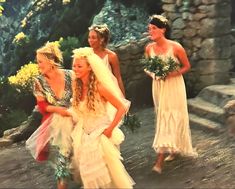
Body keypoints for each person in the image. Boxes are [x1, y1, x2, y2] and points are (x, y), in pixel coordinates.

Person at [67, 47, 135, 188]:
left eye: (79, 66)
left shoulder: (99, 87)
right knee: (88, 175)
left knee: (104, 176)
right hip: (85, 136)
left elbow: (122, 107)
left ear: (90, 67)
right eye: (74, 65)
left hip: (100, 135)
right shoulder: (77, 87)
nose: (75, 69)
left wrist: (110, 129)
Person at [144, 15, 198, 174]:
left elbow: (186, 66)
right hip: (159, 87)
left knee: (170, 117)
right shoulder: (148, 48)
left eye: (154, 28)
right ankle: (173, 150)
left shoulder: (175, 47)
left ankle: (159, 162)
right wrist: (154, 75)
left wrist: (172, 74)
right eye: (149, 29)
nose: (151, 31)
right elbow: (147, 68)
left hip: (174, 86)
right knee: (163, 115)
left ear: (163, 29)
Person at [25, 42, 74, 189]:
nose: (38, 65)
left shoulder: (70, 75)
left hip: (75, 117)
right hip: (55, 121)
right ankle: (62, 184)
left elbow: (80, 96)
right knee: (63, 153)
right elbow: (42, 106)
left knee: (81, 152)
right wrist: (59, 111)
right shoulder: (38, 82)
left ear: (51, 60)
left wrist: (73, 112)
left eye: (40, 61)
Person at [88, 24, 126, 97]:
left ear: (102, 39)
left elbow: (118, 78)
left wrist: (123, 98)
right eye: (89, 37)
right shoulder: (87, 54)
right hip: (93, 93)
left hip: (110, 93)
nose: (90, 40)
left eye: (93, 38)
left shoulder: (111, 56)